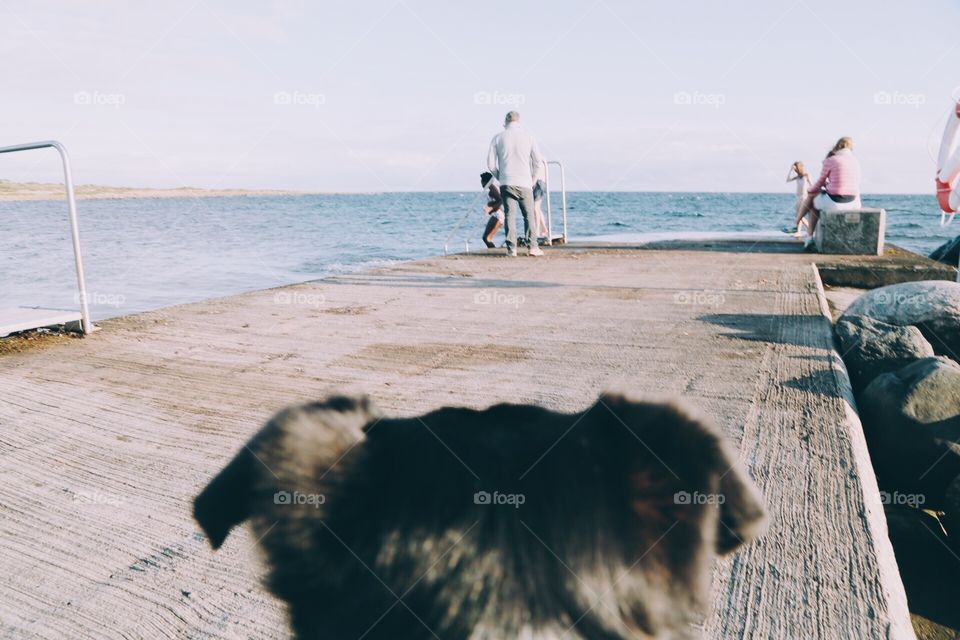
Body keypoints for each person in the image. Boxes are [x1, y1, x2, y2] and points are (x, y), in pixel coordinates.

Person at [486, 111, 546, 257]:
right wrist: (533, 178)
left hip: (506, 182)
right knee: (529, 215)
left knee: (510, 216)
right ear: (519, 122)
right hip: (525, 182)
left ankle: (511, 249)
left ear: (506, 122)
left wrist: (500, 176)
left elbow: (490, 164)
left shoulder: (498, 137)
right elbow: (538, 161)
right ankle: (532, 247)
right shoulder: (528, 136)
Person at [802, 137, 862, 242]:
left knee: (814, 203)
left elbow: (820, 182)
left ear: (837, 146)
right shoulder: (856, 161)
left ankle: (810, 237)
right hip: (854, 202)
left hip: (836, 202)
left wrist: (810, 190)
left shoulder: (831, 160)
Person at [784, 161, 813, 236]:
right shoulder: (798, 177)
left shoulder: (806, 175)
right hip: (799, 197)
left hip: (804, 197)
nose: (794, 170)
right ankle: (807, 230)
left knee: (800, 215)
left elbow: (812, 185)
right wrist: (790, 170)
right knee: (799, 216)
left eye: (795, 168)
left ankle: (801, 231)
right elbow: (788, 180)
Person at [480, 171, 503, 248]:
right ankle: (493, 251)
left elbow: (500, 201)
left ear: (485, 181)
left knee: (486, 238)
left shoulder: (492, 188)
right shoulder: (493, 188)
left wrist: (490, 208)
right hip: (499, 215)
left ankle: (494, 252)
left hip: (498, 215)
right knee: (487, 238)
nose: (481, 183)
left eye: (482, 181)